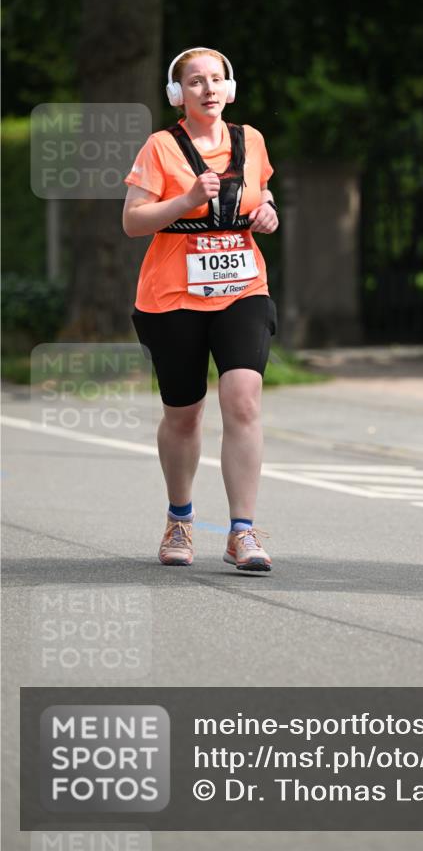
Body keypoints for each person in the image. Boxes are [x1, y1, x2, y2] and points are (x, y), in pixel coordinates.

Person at [123, 47, 279, 573]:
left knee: (243, 397)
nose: (208, 89)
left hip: (242, 287)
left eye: (216, 80)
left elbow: (262, 190)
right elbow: (133, 221)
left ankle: (243, 531)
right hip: (172, 296)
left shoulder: (250, 140)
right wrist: (185, 199)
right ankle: (180, 519)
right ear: (178, 94)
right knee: (184, 415)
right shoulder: (160, 147)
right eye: (195, 82)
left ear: (229, 88)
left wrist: (267, 211)